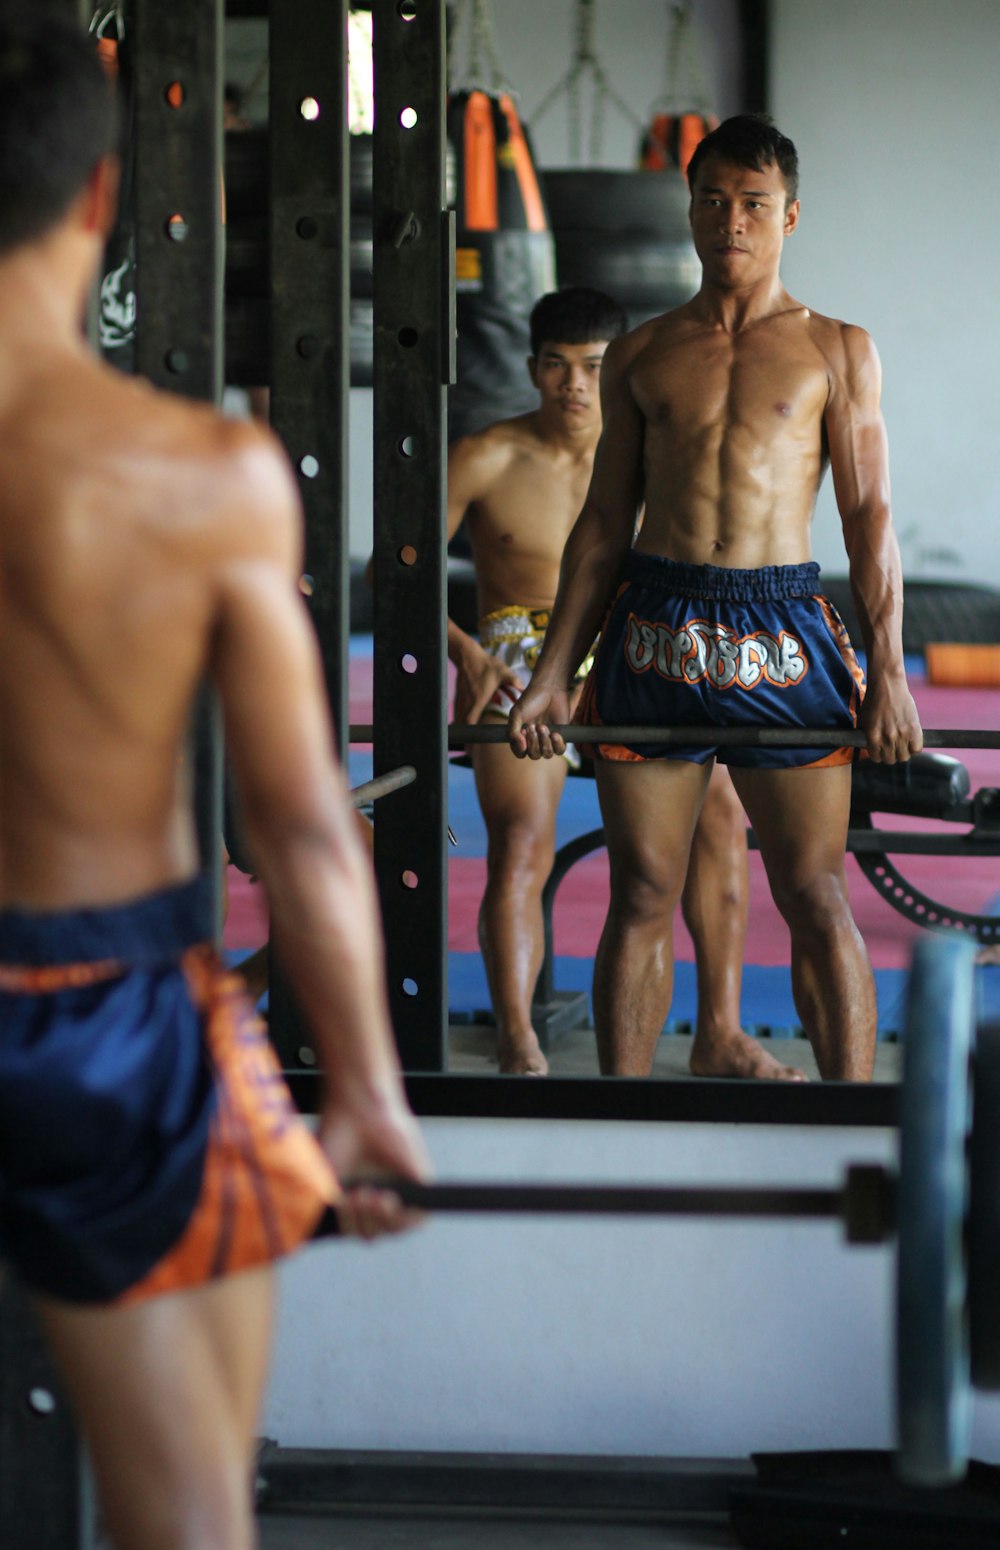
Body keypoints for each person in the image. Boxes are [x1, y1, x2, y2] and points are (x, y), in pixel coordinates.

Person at [0, 16, 429, 1550]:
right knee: (185, 1516)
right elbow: (303, 827)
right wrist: (370, 1098)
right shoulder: (207, 478)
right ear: (103, 196)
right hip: (106, 1018)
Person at [509, 115, 923, 1082]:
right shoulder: (646, 354)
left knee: (816, 893)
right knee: (644, 891)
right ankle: (622, 1125)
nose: (731, 220)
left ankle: (846, 1126)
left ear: (789, 216)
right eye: (712, 200)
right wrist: (550, 674)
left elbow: (870, 522)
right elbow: (604, 526)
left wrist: (892, 672)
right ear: (689, 210)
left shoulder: (837, 349)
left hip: (784, 628)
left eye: (753, 203)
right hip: (655, 625)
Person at [448, 286, 802, 1081]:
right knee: (520, 842)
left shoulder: (657, 452)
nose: (574, 385)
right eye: (557, 366)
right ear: (533, 368)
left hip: (631, 647)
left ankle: (719, 1032)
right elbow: (395, 571)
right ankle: (517, 1041)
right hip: (517, 648)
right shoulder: (487, 454)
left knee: (719, 818)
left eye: (593, 368)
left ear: (620, 373)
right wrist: (466, 650)